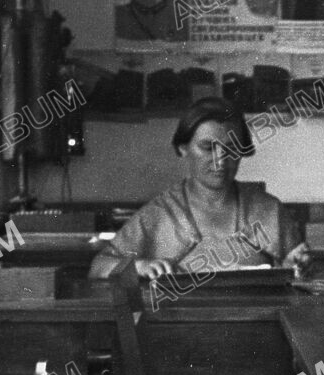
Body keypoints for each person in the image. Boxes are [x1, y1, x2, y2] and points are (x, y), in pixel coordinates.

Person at [91, 98, 309, 280]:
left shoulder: (268, 210)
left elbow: (297, 269)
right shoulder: (159, 214)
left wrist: (297, 267)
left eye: (231, 149)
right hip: (178, 328)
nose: (220, 160)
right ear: (183, 148)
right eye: (207, 148)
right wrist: (138, 267)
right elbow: (99, 266)